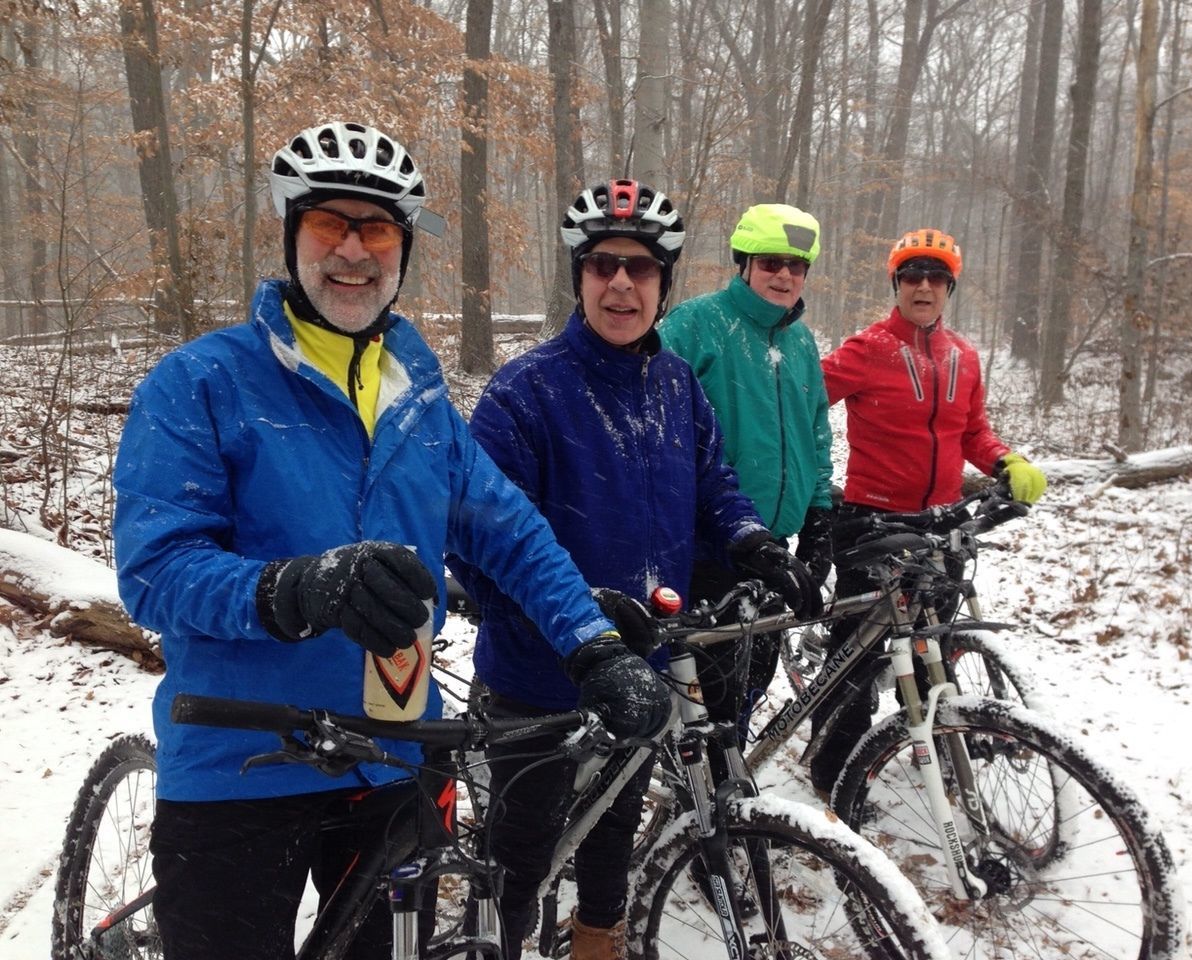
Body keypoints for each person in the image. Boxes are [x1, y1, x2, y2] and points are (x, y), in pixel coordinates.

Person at [112, 123, 668, 960]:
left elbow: (514, 535)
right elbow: (155, 569)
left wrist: (593, 646)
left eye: (376, 228)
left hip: (394, 758)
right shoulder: (201, 382)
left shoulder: (421, 401)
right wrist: (290, 590)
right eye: (328, 223)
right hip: (242, 759)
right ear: (291, 234)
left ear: (403, 247)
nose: (353, 250)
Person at [448, 179, 820, 960]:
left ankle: (598, 943)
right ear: (579, 277)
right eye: (603, 265)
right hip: (539, 679)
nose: (621, 284)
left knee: (611, 840)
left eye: (641, 268)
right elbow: (477, 542)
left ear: (663, 283)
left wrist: (752, 540)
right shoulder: (525, 393)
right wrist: (577, 617)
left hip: (643, 667)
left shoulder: (675, 384)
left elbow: (714, 484)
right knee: (520, 860)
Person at [809, 226, 1047, 796]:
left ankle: (936, 742)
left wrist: (1005, 460)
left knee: (931, 646)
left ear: (949, 288)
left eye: (936, 278)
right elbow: (804, 401)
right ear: (896, 284)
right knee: (854, 661)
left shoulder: (963, 355)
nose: (923, 286)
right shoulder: (867, 347)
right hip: (872, 522)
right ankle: (832, 776)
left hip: (941, 525)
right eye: (912, 276)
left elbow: (972, 431)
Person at [661, 202, 834, 737]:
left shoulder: (800, 340)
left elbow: (815, 429)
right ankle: (699, 772)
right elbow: (657, 428)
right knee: (705, 690)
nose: (783, 275)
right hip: (708, 545)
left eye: (795, 265)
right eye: (769, 263)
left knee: (753, 677)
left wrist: (819, 513)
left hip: (775, 547)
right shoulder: (696, 325)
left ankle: (725, 766)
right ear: (744, 264)